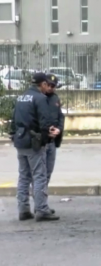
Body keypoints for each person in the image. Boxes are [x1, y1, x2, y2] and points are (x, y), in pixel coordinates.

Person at [9, 73, 59, 222]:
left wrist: (13, 136)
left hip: (20, 139)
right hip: (33, 141)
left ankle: (23, 209)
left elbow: (14, 119)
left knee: (24, 176)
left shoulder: (21, 97)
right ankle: (42, 209)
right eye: (46, 84)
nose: (47, 87)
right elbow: (45, 122)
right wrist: (47, 137)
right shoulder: (40, 98)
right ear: (42, 84)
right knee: (39, 176)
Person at [43, 74, 65, 185]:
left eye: (53, 86)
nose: (50, 88)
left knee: (48, 172)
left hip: (52, 141)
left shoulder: (55, 98)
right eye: (49, 85)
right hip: (42, 141)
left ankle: (42, 196)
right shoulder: (39, 98)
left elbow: (60, 116)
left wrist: (59, 129)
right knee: (39, 173)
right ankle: (39, 197)